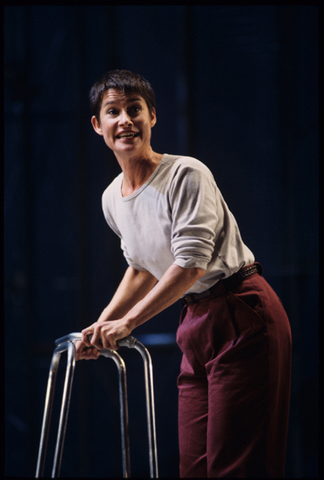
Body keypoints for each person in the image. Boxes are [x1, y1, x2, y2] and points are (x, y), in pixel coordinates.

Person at [75, 69, 292, 478]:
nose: (125, 120)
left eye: (134, 109)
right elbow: (141, 267)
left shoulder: (185, 174)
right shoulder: (112, 199)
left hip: (241, 311)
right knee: (194, 467)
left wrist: (127, 323)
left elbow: (191, 264)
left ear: (152, 117)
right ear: (97, 125)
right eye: (113, 111)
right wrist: (101, 325)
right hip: (195, 321)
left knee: (237, 468)